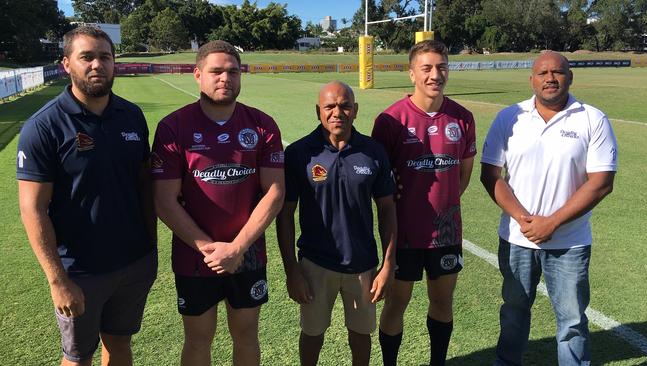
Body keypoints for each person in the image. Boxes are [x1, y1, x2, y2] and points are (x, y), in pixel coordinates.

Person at [16, 26, 157, 366]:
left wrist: (150, 251)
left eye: (105, 57)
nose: (97, 65)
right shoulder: (44, 126)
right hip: (80, 272)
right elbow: (33, 209)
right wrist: (57, 280)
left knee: (120, 345)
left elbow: (143, 187)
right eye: (87, 57)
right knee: (78, 357)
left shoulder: (132, 116)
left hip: (133, 263)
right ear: (67, 64)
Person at [151, 40, 285, 366]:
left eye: (233, 72)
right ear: (198, 75)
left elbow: (275, 192)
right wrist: (211, 250)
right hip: (194, 256)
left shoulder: (262, 125)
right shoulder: (173, 127)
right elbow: (164, 200)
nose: (225, 78)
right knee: (198, 340)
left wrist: (236, 249)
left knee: (247, 336)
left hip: (248, 254)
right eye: (216, 71)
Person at [480, 51, 617, 366]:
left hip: (569, 242)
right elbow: (491, 175)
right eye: (542, 73)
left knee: (571, 320)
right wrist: (524, 219)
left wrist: (552, 223)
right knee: (513, 311)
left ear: (570, 77)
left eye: (557, 72)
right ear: (531, 79)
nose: (550, 78)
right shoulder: (508, 117)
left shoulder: (592, 119)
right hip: (517, 238)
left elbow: (601, 183)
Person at [276, 81, 397, 366]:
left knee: (361, 333)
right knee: (312, 333)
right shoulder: (298, 153)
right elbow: (285, 215)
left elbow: (388, 210)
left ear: (355, 110)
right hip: (315, 264)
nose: (337, 113)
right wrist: (292, 269)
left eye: (344, 106)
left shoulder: (374, 152)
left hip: (362, 263)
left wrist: (389, 265)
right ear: (318, 111)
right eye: (330, 106)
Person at [371, 40, 476, 366]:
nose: (435, 75)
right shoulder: (390, 120)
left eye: (441, 67)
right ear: (412, 73)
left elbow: (463, 175)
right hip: (403, 234)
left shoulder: (463, 118)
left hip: (445, 233)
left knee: (442, 302)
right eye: (427, 68)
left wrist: (443, 205)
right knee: (396, 304)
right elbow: (379, 183)